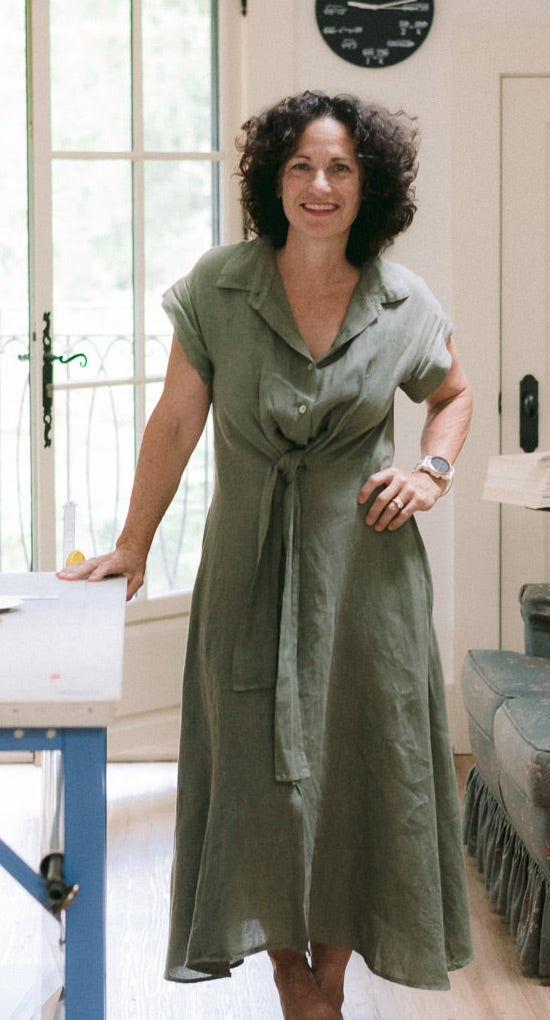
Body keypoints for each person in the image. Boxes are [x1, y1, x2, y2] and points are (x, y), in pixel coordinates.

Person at [58, 91, 473, 1019]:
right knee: (259, 776)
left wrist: (433, 470)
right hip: (248, 576)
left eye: (340, 169)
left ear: (370, 187)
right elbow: (174, 420)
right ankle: (293, 975)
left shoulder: (404, 300)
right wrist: (132, 545)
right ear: (272, 180)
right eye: (300, 166)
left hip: (369, 586)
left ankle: (325, 977)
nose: (319, 185)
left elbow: (454, 392)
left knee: (355, 773)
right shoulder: (219, 286)